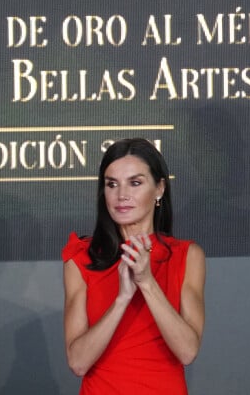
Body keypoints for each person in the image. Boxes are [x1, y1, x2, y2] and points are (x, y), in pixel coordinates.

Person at [62, 138, 205, 394]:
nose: (121, 196)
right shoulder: (82, 258)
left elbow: (187, 351)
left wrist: (147, 282)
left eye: (135, 183)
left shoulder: (186, 256)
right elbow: (78, 362)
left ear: (159, 188)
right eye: (112, 184)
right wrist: (122, 298)